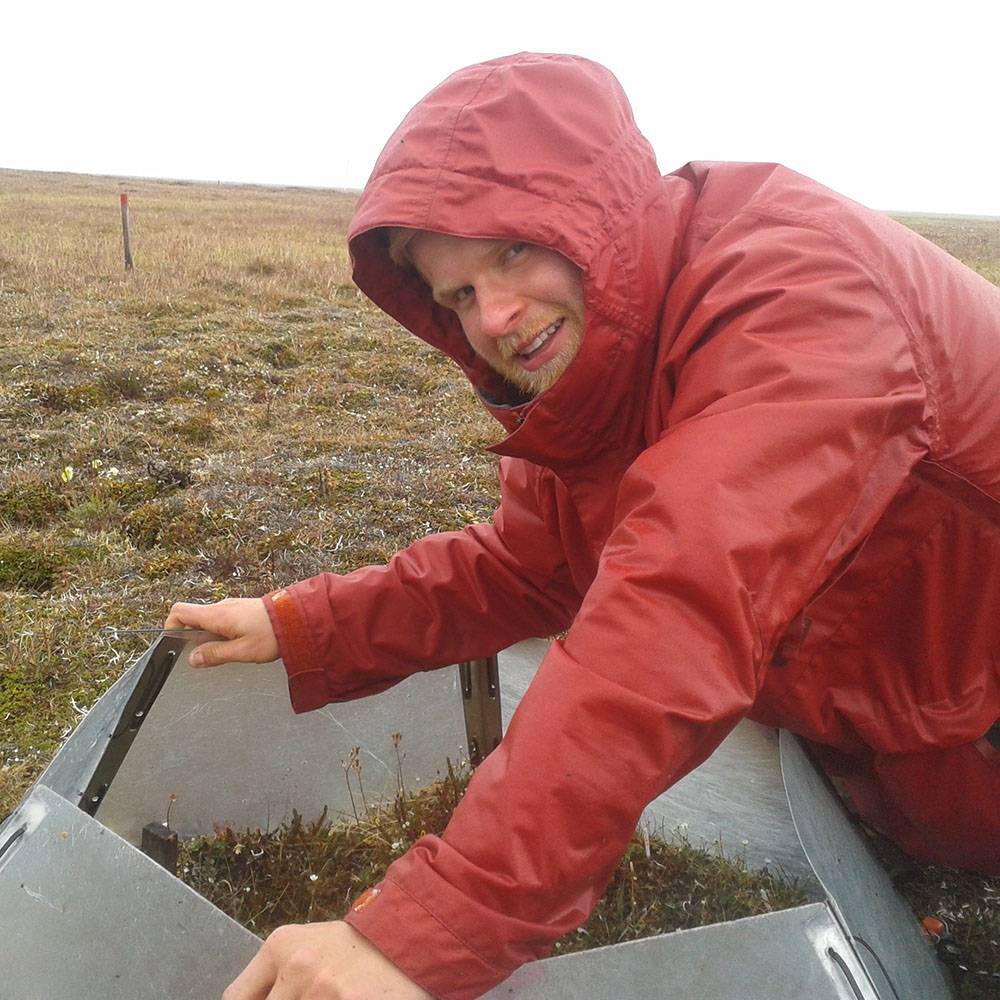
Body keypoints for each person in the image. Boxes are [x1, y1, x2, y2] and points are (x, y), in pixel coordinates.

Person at [166, 52, 1000, 1000]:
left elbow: (680, 608)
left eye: (511, 252)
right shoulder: (604, 369)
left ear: (593, 211)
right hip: (898, 743)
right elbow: (524, 571)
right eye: (459, 296)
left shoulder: (792, 295)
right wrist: (307, 624)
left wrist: (419, 936)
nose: (498, 315)